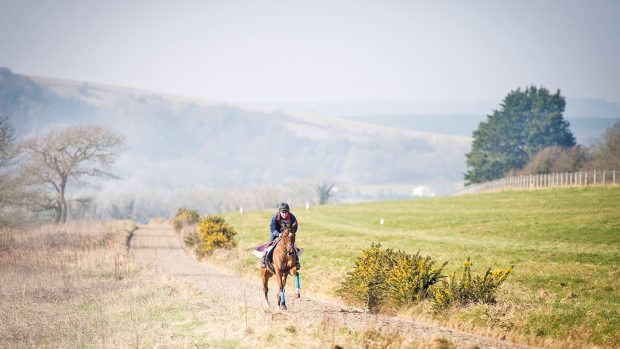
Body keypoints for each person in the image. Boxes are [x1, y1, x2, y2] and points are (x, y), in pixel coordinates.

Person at [261, 202, 301, 269]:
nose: (284, 214)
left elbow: (295, 227)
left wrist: (291, 233)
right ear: (279, 211)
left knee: (293, 246)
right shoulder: (275, 217)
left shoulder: (292, 217)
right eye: (283, 212)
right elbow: (272, 228)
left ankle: (296, 262)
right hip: (276, 233)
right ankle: (264, 260)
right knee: (269, 245)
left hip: (288, 234)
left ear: (288, 212)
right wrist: (278, 234)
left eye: (286, 212)